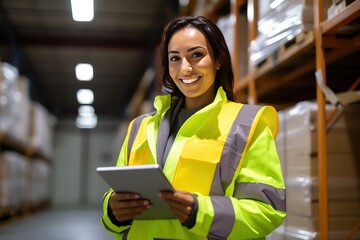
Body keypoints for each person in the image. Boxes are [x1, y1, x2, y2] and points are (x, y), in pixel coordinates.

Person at [101, 15, 286, 240]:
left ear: (218, 60)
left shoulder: (246, 125)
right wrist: (113, 211)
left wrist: (200, 212)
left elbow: (267, 211)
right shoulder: (140, 127)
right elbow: (118, 192)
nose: (185, 68)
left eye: (196, 55)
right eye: (175, 58)